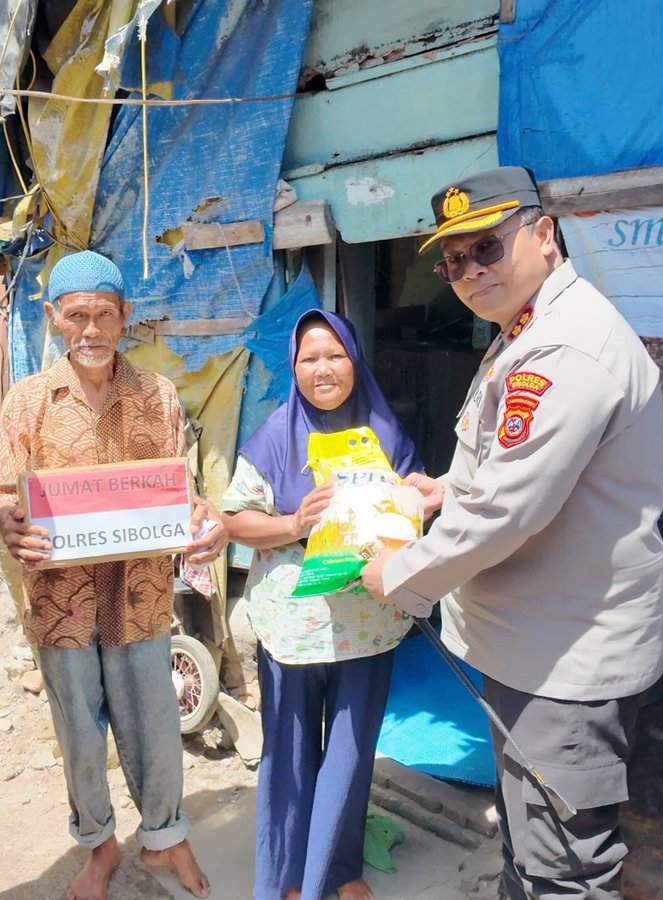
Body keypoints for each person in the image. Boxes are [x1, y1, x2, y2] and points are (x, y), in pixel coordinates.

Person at [360, 166, 663, 899]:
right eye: (452, 260)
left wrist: (398, 575)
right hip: (534, 646)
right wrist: (448, 489)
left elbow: (511, 511)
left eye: (486, 249)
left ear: (543, 234)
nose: (468, 272)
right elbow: (512, 472)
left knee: (563, 870)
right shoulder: (527, 329)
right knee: (533, 847)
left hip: (562, 662)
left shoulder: (562, 348)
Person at [0, 250, 226, 900]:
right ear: (53, 315)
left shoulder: (157, 395)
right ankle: (99, 844)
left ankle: (166, 833)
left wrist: (201, 519)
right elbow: (0, 494)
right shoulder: (28, 402)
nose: (90, 329)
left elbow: (180, 491)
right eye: (77, 315)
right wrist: (9, 522)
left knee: (155, 726)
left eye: (103, 315)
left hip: (140, 600)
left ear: (125, 317)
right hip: (60, 607)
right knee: (82, 740)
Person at [222, 308, 433, 900]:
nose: (323, 369)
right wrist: (294, 521)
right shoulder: (274, 438)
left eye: (334, 355)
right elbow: (234, 519)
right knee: (287, 755)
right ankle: (289, 874)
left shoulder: (388, 437)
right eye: (309, 358)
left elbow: (413, 512)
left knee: (350, 753)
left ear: (354, 359)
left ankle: (338, 870)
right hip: (295, 629)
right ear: (293, 366)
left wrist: (418, 503)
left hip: (368, 624)